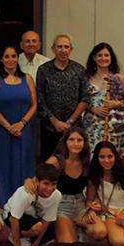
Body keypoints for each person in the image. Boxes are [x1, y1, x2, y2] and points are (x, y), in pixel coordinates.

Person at [0, 46, 37, 205]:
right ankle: (4, 203)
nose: (10, 59)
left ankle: (24, 203)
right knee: (3, 165)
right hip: (1, 130)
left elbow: (34, 105)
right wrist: (9, 127)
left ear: (18, 58)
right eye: (7, 56)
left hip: (24, 130)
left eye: (13, 56)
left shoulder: (27, 78)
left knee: (24, 163)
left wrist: (22, 123)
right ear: (2, 59)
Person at [35, 127, 99, 244]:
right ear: (65, 142)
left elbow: (91, 189)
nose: (76, 143)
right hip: (61, 205)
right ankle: (66, 229)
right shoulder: (56, 161)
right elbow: (39, 177)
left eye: (79, 140)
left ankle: (77, 229)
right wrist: (28, 181)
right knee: (67, 244)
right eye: (71, 139)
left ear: (84, 143)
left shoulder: (86, 162)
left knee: (100, 231)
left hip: (80, 204)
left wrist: (91, 207)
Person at [35, 34, 90, 162]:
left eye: (66, 47)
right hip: (50, 127)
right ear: (53, 49)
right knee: (50, 163)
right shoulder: (43, 70)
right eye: (59, 47)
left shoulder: (79, 70)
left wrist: (69, 122)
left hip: (74, 127)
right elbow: (40, 98)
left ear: (71, 49)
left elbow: (85, 98)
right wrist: (55, 122)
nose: (63, 50)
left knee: (74, 161)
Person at [82, 43, 124, 163]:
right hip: (92, 126)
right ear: (94, 58)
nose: (103, 58)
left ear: (111, 58)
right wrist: (93, 109)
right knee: (93, 158)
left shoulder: (118, 78)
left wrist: (116, 104)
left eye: (106, 55)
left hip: (113, 127)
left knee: (112, 159)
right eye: (99, 55)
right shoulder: (86, 78)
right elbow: (80, 101)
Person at [4, 163, 61, 246]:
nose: (50, 188)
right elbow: (14, 218)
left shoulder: (57, 195)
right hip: (11, 215)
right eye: (46, 183)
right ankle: (16, 236)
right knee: (37, 227)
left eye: (54, 184)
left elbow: (46, 221)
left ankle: (26, 236)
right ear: (37, 181)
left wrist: (35, 245)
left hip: (35, 217)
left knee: (51, 244)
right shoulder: (26, 194)